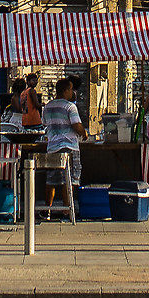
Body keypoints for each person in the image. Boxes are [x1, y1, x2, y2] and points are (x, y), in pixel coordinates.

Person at [40, 76, 85, 211]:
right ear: (66, 90)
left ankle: (47, 210)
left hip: (52, 147)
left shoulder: (47, 107)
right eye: (71, 89)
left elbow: (45, 124)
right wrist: (84, 133)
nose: (73, 93)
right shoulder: (70, 107)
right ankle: (67, 210)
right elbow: (77, 126)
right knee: (68, 179)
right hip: (68, 146)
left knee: (51, 180)